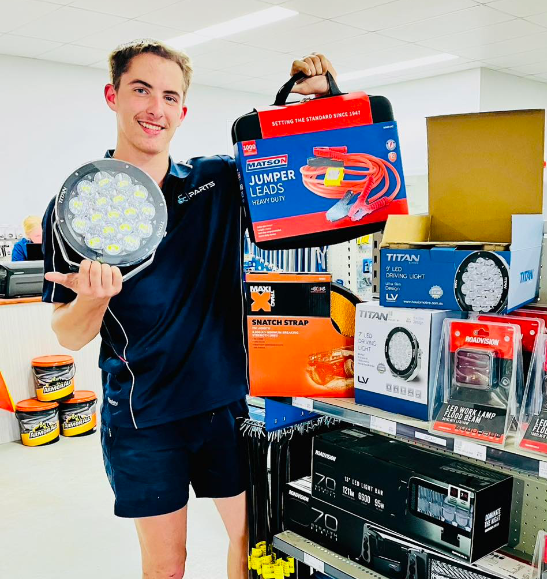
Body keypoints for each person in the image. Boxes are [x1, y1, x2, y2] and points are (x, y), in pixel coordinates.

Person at [41, 39, 336, 579]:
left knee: (254, 546)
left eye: (170, 96)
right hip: (144, 417)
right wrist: (93, 298)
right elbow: (68, 335)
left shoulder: (216, 183)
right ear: (112, 95)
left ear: (183, 111)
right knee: (166, 566)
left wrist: (313, 105)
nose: (156, 107)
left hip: (225, 407)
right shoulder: (80, 208)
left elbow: (307, 176)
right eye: (141, 90)